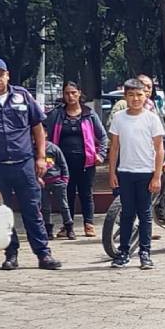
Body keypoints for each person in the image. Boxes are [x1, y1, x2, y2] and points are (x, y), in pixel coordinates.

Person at [0, 58, 62, 270]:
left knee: (32, 210)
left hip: (24, 164)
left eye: (1, 74)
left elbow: (37, 127)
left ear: (8, 75)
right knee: (2, 212)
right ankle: (11, 254)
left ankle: (43, 254)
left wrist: (41, 157)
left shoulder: (22, 96)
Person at [108, 78, 164, 270]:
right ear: (125, 96)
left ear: (146, 95)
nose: (135, 99)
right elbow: (114, 148)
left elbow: (159, 149)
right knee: (127, 214)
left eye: (139, 95)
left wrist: (157, 176)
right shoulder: (119, 118)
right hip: (125, 172)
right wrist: (112, 172)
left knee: (145, 214)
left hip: (146, 172)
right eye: (131, 95)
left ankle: (145, 253)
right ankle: (123, 252)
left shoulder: (151, 119)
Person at [43, 81, 107, 236]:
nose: (70, 96)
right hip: (62, 163)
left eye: (73, 93)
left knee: (86, 193)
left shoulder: (89, 114)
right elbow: (44, 134)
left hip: (86, 162)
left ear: (79, 93)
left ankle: (89, 224)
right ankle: (68, 225)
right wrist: (47, 159)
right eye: (67, 93)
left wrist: (101, 154)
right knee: (67, 193)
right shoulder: (56, 114)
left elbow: (103, 136)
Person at [40, 140, 74, 240]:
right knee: (45, 207)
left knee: (63, 206)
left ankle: (69, 228)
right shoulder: (33, 149)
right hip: (42, 183)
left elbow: (63, 164)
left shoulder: (54, 148)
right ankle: (48, 230)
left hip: (57, 181)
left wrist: (65, 179)